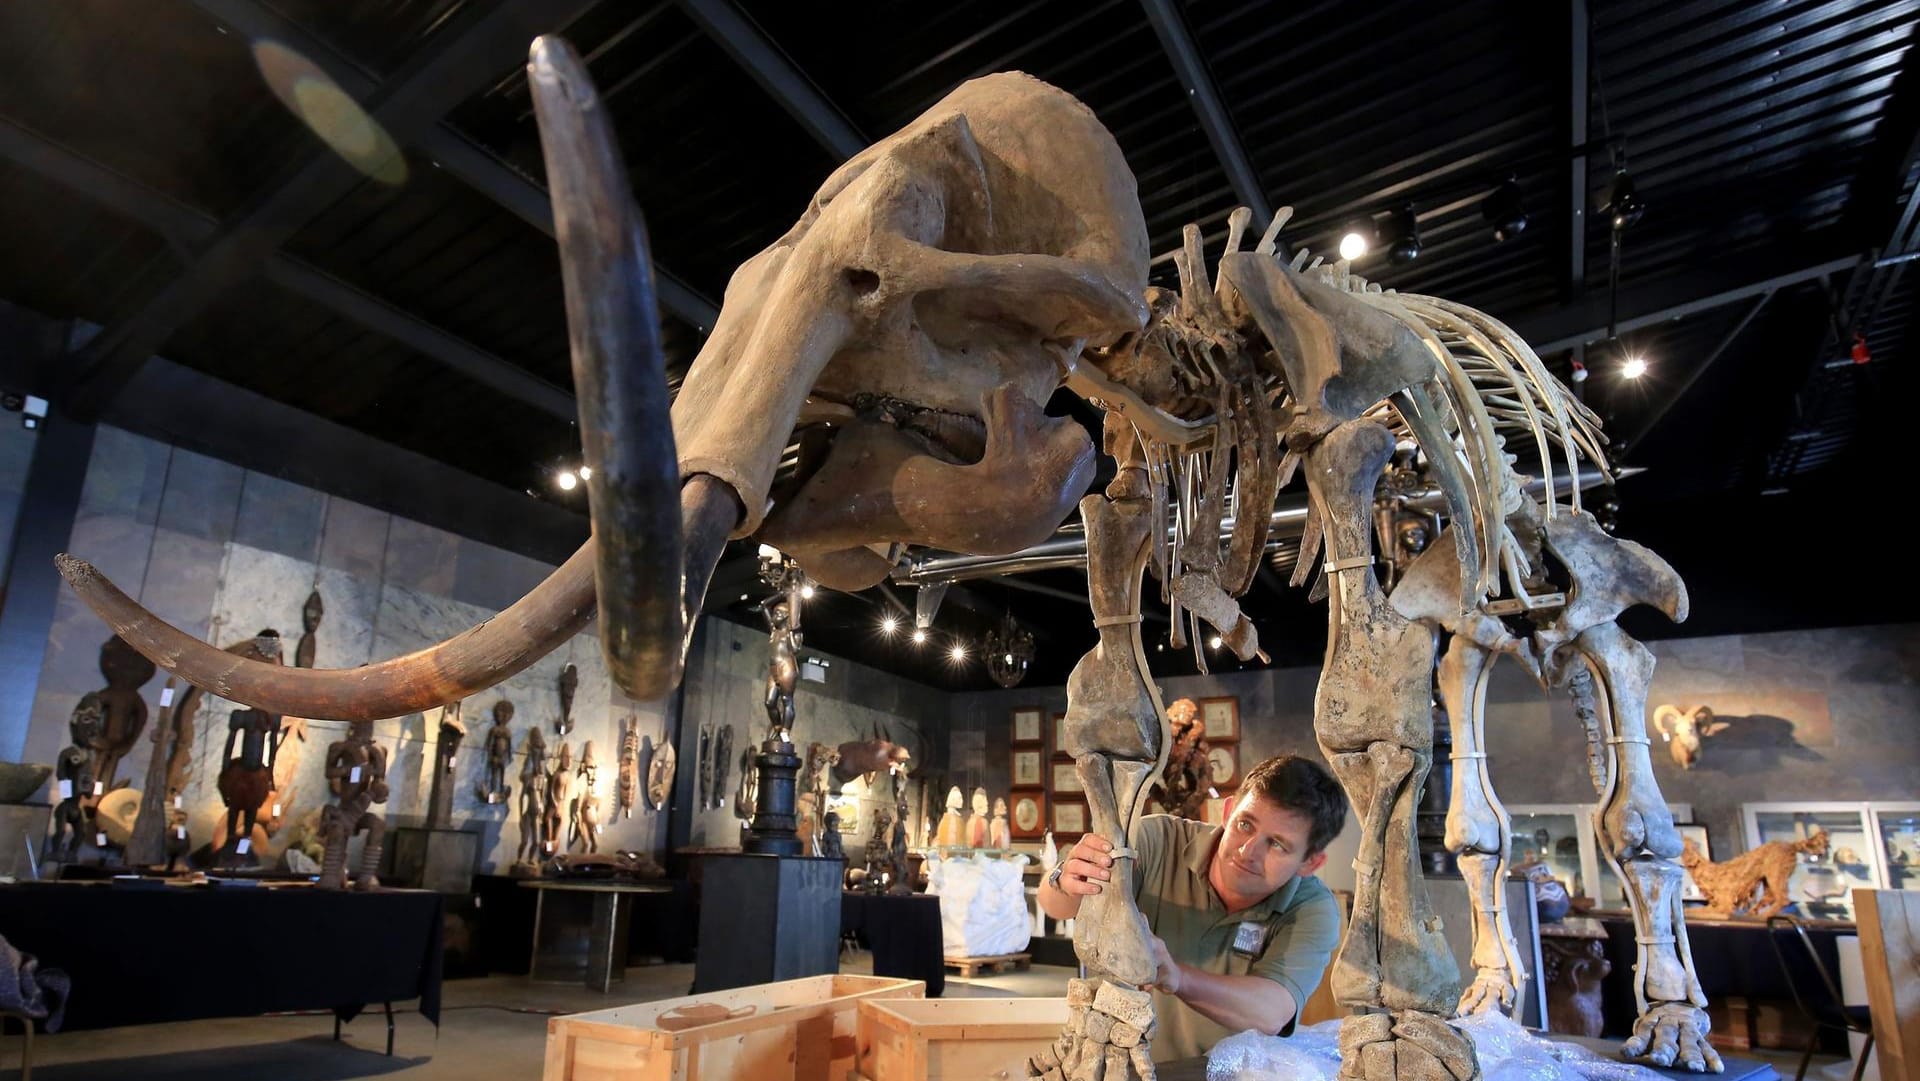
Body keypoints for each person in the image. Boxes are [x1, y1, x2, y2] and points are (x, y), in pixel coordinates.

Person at [1037, 753, 1348, 1062]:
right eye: (1245, 824)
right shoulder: (1155, 840)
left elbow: (1272, 1011)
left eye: (1277, 844)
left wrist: (1177, 977)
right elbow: (1055, 906)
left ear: (1310, 862)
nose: (1247, 850)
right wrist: (1065, 880)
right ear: (1227, 812)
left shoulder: (1313, 908)